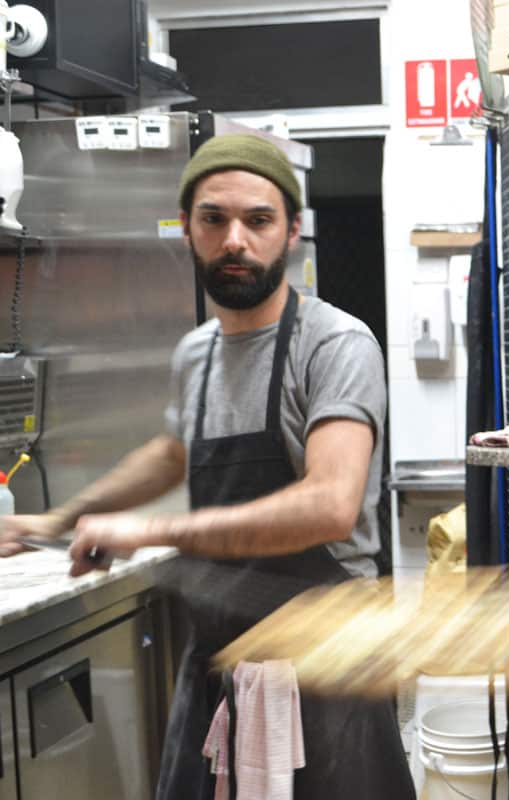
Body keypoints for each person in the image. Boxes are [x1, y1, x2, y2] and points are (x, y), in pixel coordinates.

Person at [0, 134, 416, 800]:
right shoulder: (196, 352)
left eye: (258, 219)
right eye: (213, 219)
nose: (235, 240)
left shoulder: (336, 344)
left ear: (291, 231)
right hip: (223, 659)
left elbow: (329, 503)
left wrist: (157, 531)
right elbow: (171, 453)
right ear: (188, 230)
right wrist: (50, 522)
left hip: (326, 673)